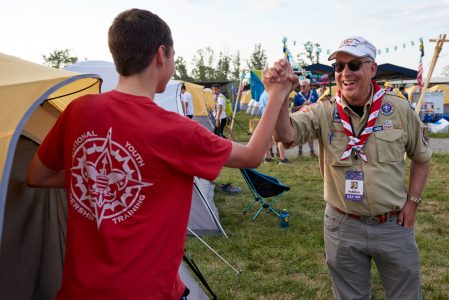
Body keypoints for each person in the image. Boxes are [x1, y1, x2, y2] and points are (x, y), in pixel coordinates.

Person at [26, 9, 293, 300]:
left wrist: (95, 180)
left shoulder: (79, 110)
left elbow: (37, 176)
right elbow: (253, 155)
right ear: (161, 54)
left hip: (79, 291)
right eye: (175, 57)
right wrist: (277, 93)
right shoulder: (175, 130)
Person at [269, 36, 431, 299]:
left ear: (372, 69)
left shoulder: (399, 109)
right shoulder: (323, 111)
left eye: (354, 65)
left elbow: (422, 158)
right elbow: (283, 136)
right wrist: (279, 95)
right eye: (338, 67)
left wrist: (412, 202)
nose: (345, 73)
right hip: (342, 225)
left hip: (392, 225)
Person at [293, 79, 318, 157]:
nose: (302, 87)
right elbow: (295, 108)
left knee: (311, 134)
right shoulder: (297, 96)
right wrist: (303, 105)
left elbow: (318, 104)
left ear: (308, 86)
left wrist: (313, 104)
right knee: (301, 134)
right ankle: (300, 152)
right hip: (301, 118)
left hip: (311, 117)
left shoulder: (314, 93)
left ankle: (312, 151)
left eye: (304, 86)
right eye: (300, 86)